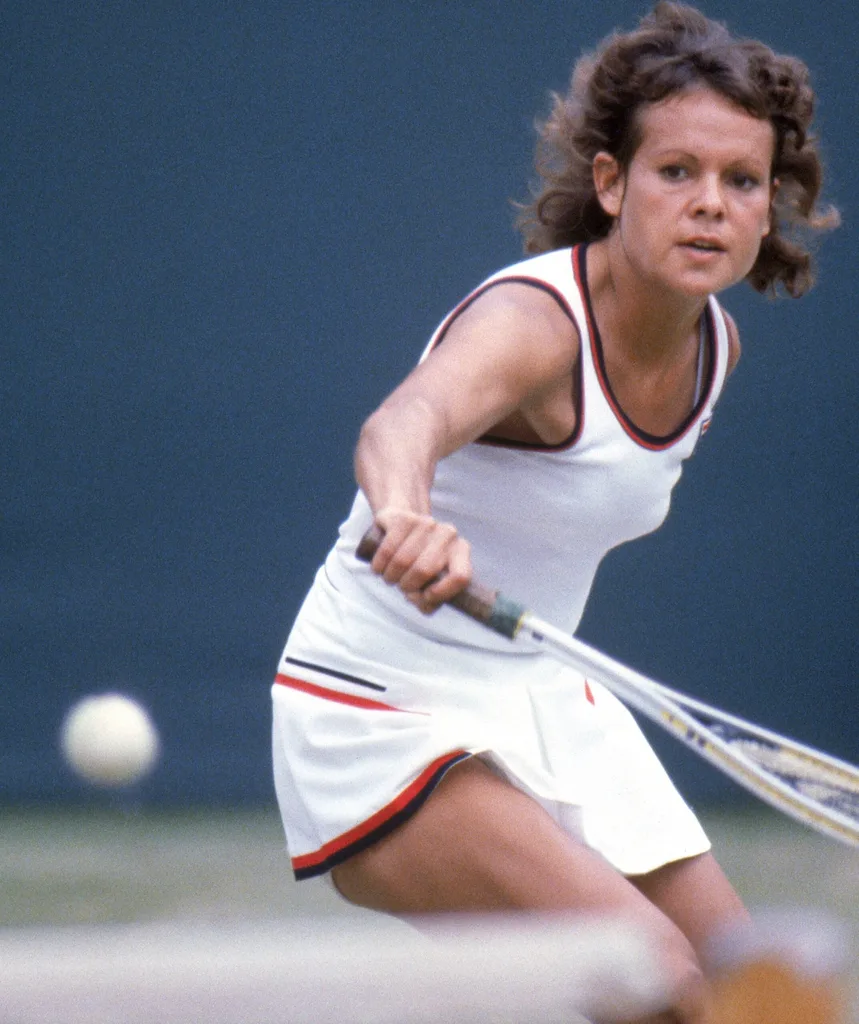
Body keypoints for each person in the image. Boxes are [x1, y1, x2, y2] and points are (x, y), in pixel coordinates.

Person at [271, 4, 838, 1021]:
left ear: (767, 211)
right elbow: (407, 419)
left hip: (546, 698)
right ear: (611, 185)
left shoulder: (715, 349)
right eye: (675, 172)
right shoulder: (533, 326)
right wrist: (405, 513)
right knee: (654, 985)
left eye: (740, 181)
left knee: (752, 991)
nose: (709, 204)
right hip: (381, 711)